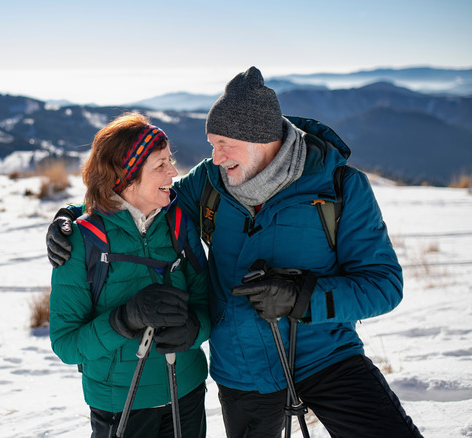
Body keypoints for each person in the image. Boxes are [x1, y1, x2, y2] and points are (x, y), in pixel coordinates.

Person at [47, 67, 423, 437]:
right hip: (243, 368)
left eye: (224, 144)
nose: (216, 156)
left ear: (261, 139)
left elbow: (384, 285)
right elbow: (136, 199)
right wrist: (72, 217)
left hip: (327, 356)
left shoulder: (339, 188)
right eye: (212, 143)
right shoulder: (209, 183)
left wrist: (303, 297)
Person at [49, 112, 211, 437]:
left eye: (171, 160)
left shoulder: (179, 224)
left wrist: (194, 329)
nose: (173, 172)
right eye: (160, 165)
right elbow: (66, 343)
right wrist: (124, 320)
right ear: (126, 176)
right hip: (119, 403)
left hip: (186, 392)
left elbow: (209, 303)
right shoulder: (82, 241)